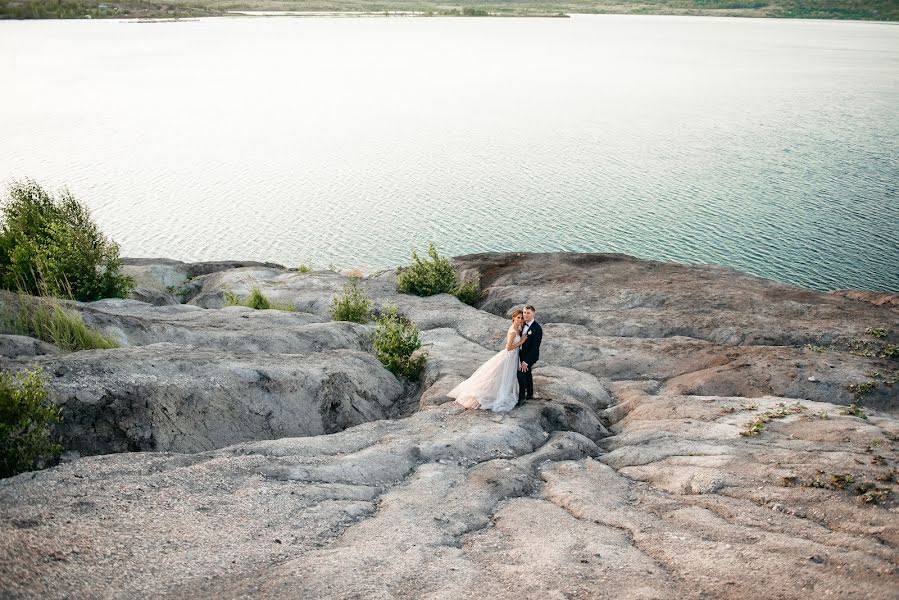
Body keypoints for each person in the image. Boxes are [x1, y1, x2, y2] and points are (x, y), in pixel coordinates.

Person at [448, 309, 527, 412]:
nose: (520, 320)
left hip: (514, 356)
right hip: (510, 355)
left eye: (521, 318)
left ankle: (509, 392)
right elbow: (508, 347)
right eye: (518, 318)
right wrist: (521, 341)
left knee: (506, 376)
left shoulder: (518, 328)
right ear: (513, 318)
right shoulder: (512, 331)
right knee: (499, 375)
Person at [517, 304, 543, 401]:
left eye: (528, 313)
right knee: (527, 373)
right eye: (524, 312)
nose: (525, 315)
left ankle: (522, 398)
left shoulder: (537, 329)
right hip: (520, 354)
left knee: (521, 375)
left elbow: (535, 347)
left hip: (530, 356)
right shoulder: (522, 323)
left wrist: (526, 361)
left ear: (533, 314)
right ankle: (530, 393)